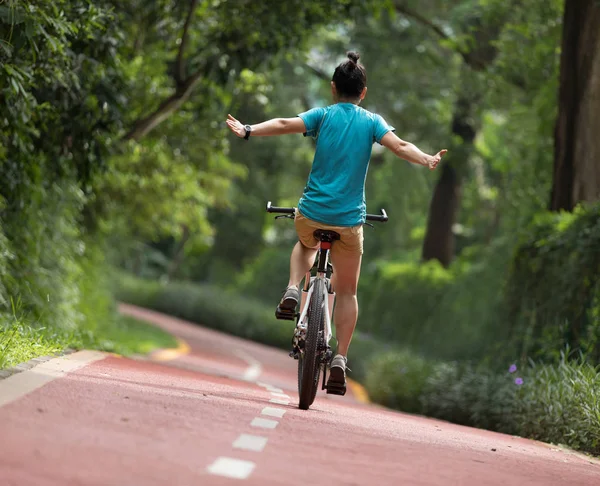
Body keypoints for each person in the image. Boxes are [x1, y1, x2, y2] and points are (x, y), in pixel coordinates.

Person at [226, 51, 446, 391]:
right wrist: (427, 158)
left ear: (333, 88)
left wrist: (248, 130)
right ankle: (341, 357)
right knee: (347, 292)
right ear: (363, 92)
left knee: (304, 242)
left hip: (312, 213)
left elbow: (285, 124)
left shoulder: (323, 115)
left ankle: (291, 289)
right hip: (348, 222)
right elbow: (400, 146)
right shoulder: (372, 122)